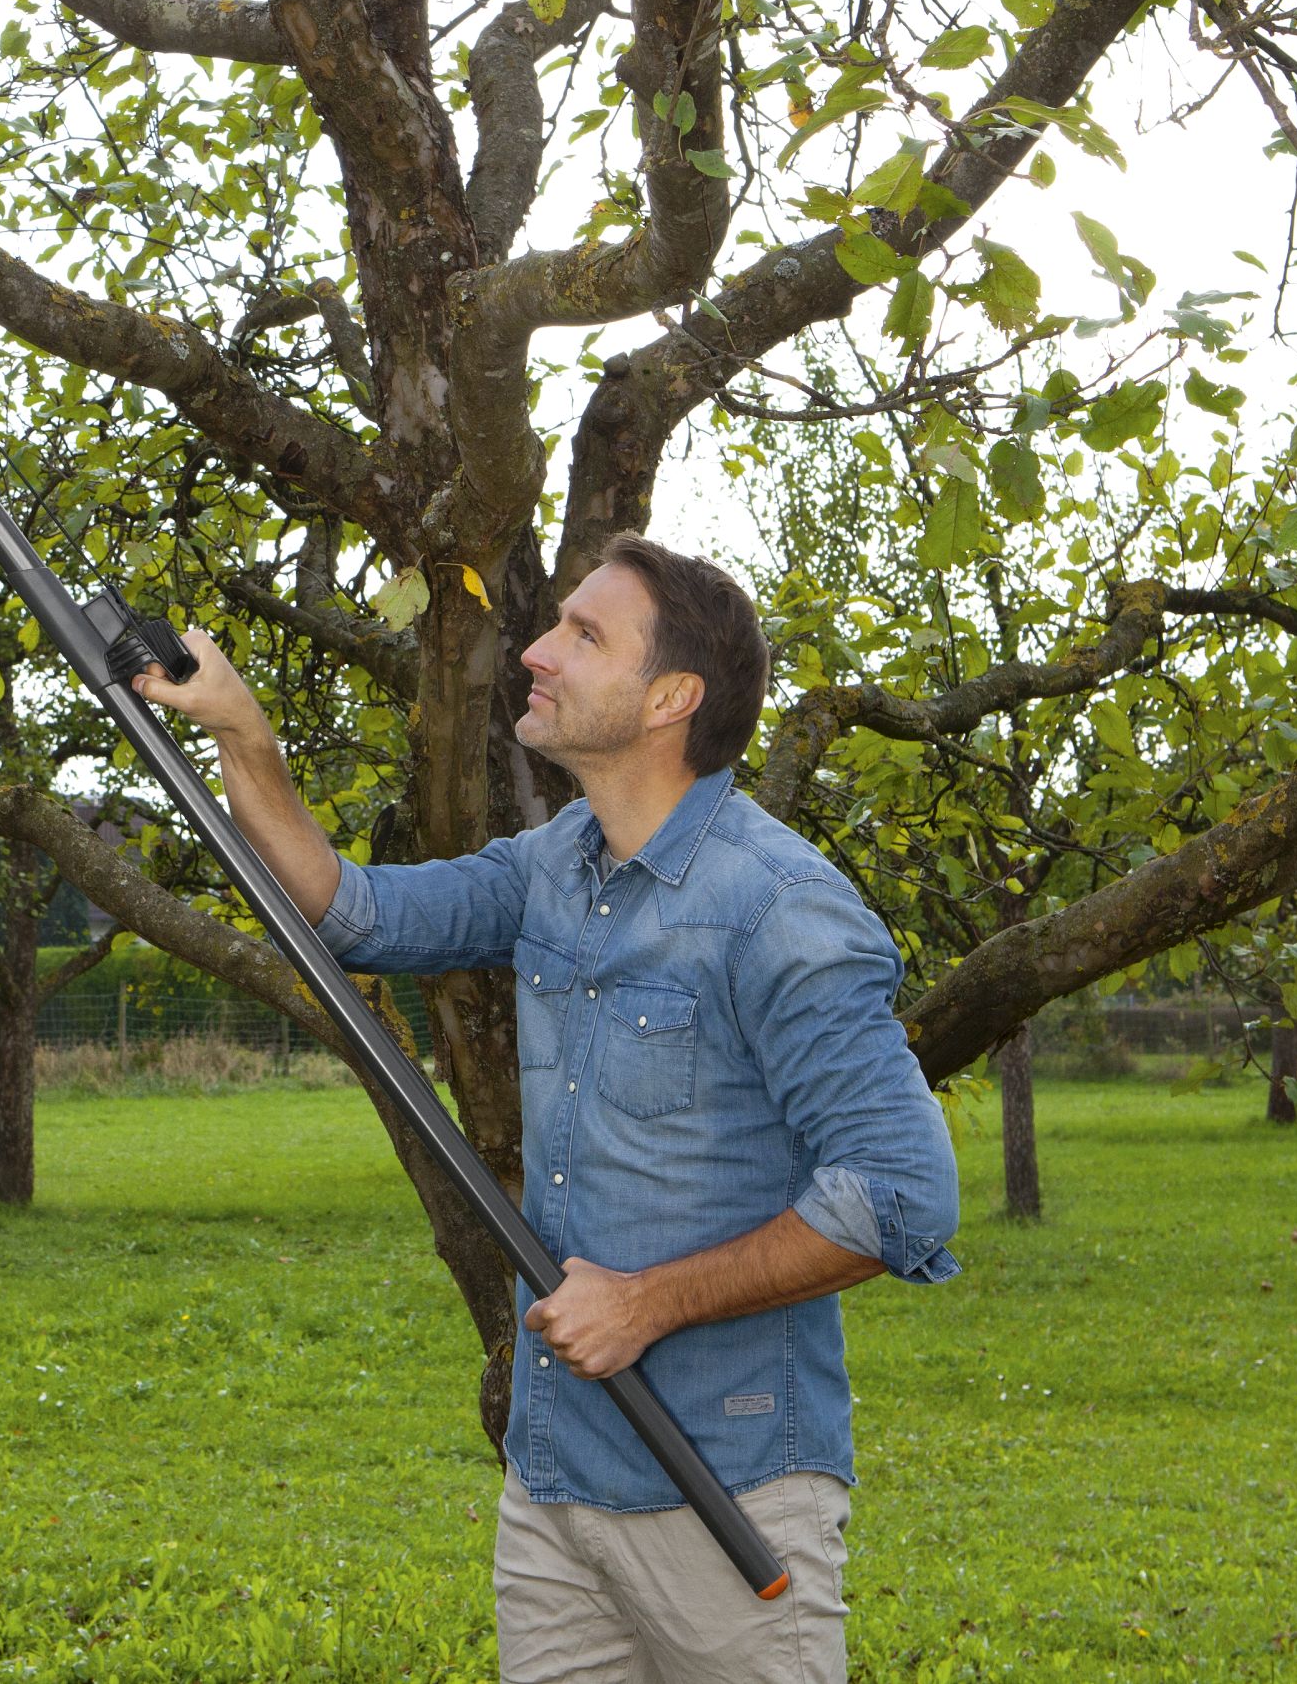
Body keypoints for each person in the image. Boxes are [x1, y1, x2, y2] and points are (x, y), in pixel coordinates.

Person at [136, 533, 960, 1684]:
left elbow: (901, 1191)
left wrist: (646, 1302)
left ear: (670, 695)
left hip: (722, 1488)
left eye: (583, 633)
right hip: (554, 1486)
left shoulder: (777, 908)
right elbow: (352, 911)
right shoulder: (553, 864)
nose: (534, 648)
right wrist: (243, 734)